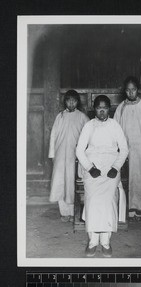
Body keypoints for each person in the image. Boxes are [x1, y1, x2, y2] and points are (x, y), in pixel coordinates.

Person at [76, 95, 128, 257]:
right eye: (99, 107)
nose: (102, 111)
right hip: (93, 167)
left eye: (105, 107)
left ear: (109, 108)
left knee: (108, 201)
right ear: (94, 109)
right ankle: (93, 241)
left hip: (111, 167)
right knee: (93, 201)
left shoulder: (115, 125)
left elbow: (124, 149)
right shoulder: (89, 126)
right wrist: (90, 168)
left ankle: (105, 241)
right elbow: (79, 151)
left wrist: (116, 167)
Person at [114, 76, 141, 221]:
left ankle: (140, 207)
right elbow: (115, 128)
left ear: (137, 90)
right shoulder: (121, 107)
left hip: (140, 149)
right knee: (127, 177)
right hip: (126, 149)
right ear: (125, 91)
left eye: (133, 90)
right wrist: (117, 148)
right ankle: (128, 209)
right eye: (128, 90)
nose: (131, 93)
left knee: (140, 177)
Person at [48, 90, 89, 222]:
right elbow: (53, 136)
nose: (71, 103)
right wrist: (52, 154)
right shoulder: (60, 116)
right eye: (68, 100)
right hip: (60, 155)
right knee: (61, 182)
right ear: (65, 101)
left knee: (72, 182)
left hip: (75, 156)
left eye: (74, 100)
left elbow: (89, 135)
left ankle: (73, 212)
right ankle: (64, 212)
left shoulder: (82, 117)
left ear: (78, 102)